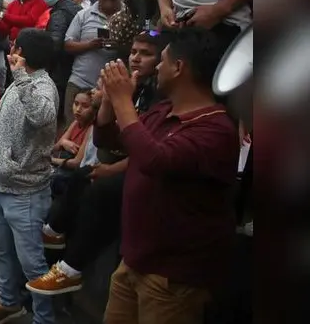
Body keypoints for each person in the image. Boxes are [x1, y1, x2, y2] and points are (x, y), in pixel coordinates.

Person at [94, 29, 238, 324]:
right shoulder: (162, 111)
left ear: (179, 67)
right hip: (134, 262)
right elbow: (111, 139)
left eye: (163, 60)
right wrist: (110, 101)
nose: (157, 66)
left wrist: (124, 100)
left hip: (173, 278)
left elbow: (154, 159)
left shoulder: (216, 129)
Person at [26, 30, 167, 297]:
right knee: (82, 177)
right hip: (117, 159)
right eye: (134, 52)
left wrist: (111, 169)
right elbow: (104, 139)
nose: (137, 58)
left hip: (139, 171)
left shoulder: (158, 96)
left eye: (146, 54)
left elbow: (145, 152)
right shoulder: (131, 86)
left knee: (99, 189)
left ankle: (71, 269)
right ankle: (53, 233)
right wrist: (106, 103)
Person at [0, 29, 59, 324]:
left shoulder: (43, 85)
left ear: (23, 52)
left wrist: (21, 77)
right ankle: (9, 303)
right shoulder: (18, 83)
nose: (11, 50)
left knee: (32, 262)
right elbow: (2, 129)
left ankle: (44, 318)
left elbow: (42, 116)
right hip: (1, 185)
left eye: (15, 47)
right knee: (3, 252)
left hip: (25, 192)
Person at [63, 0, 125, 131]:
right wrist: (90, 45)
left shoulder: (129, 17)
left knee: (98, 138)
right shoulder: (83, 15)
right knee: (71, 133)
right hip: (78, 84)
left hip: (110, 91)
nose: (109, 4)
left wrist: (121, 46)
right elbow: (68, 45)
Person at [39, 0, 81, 127]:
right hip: (70, 68)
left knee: (56, 121)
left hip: (60, 72)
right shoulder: (75, 8)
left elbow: (54, 46)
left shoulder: (60, 13)